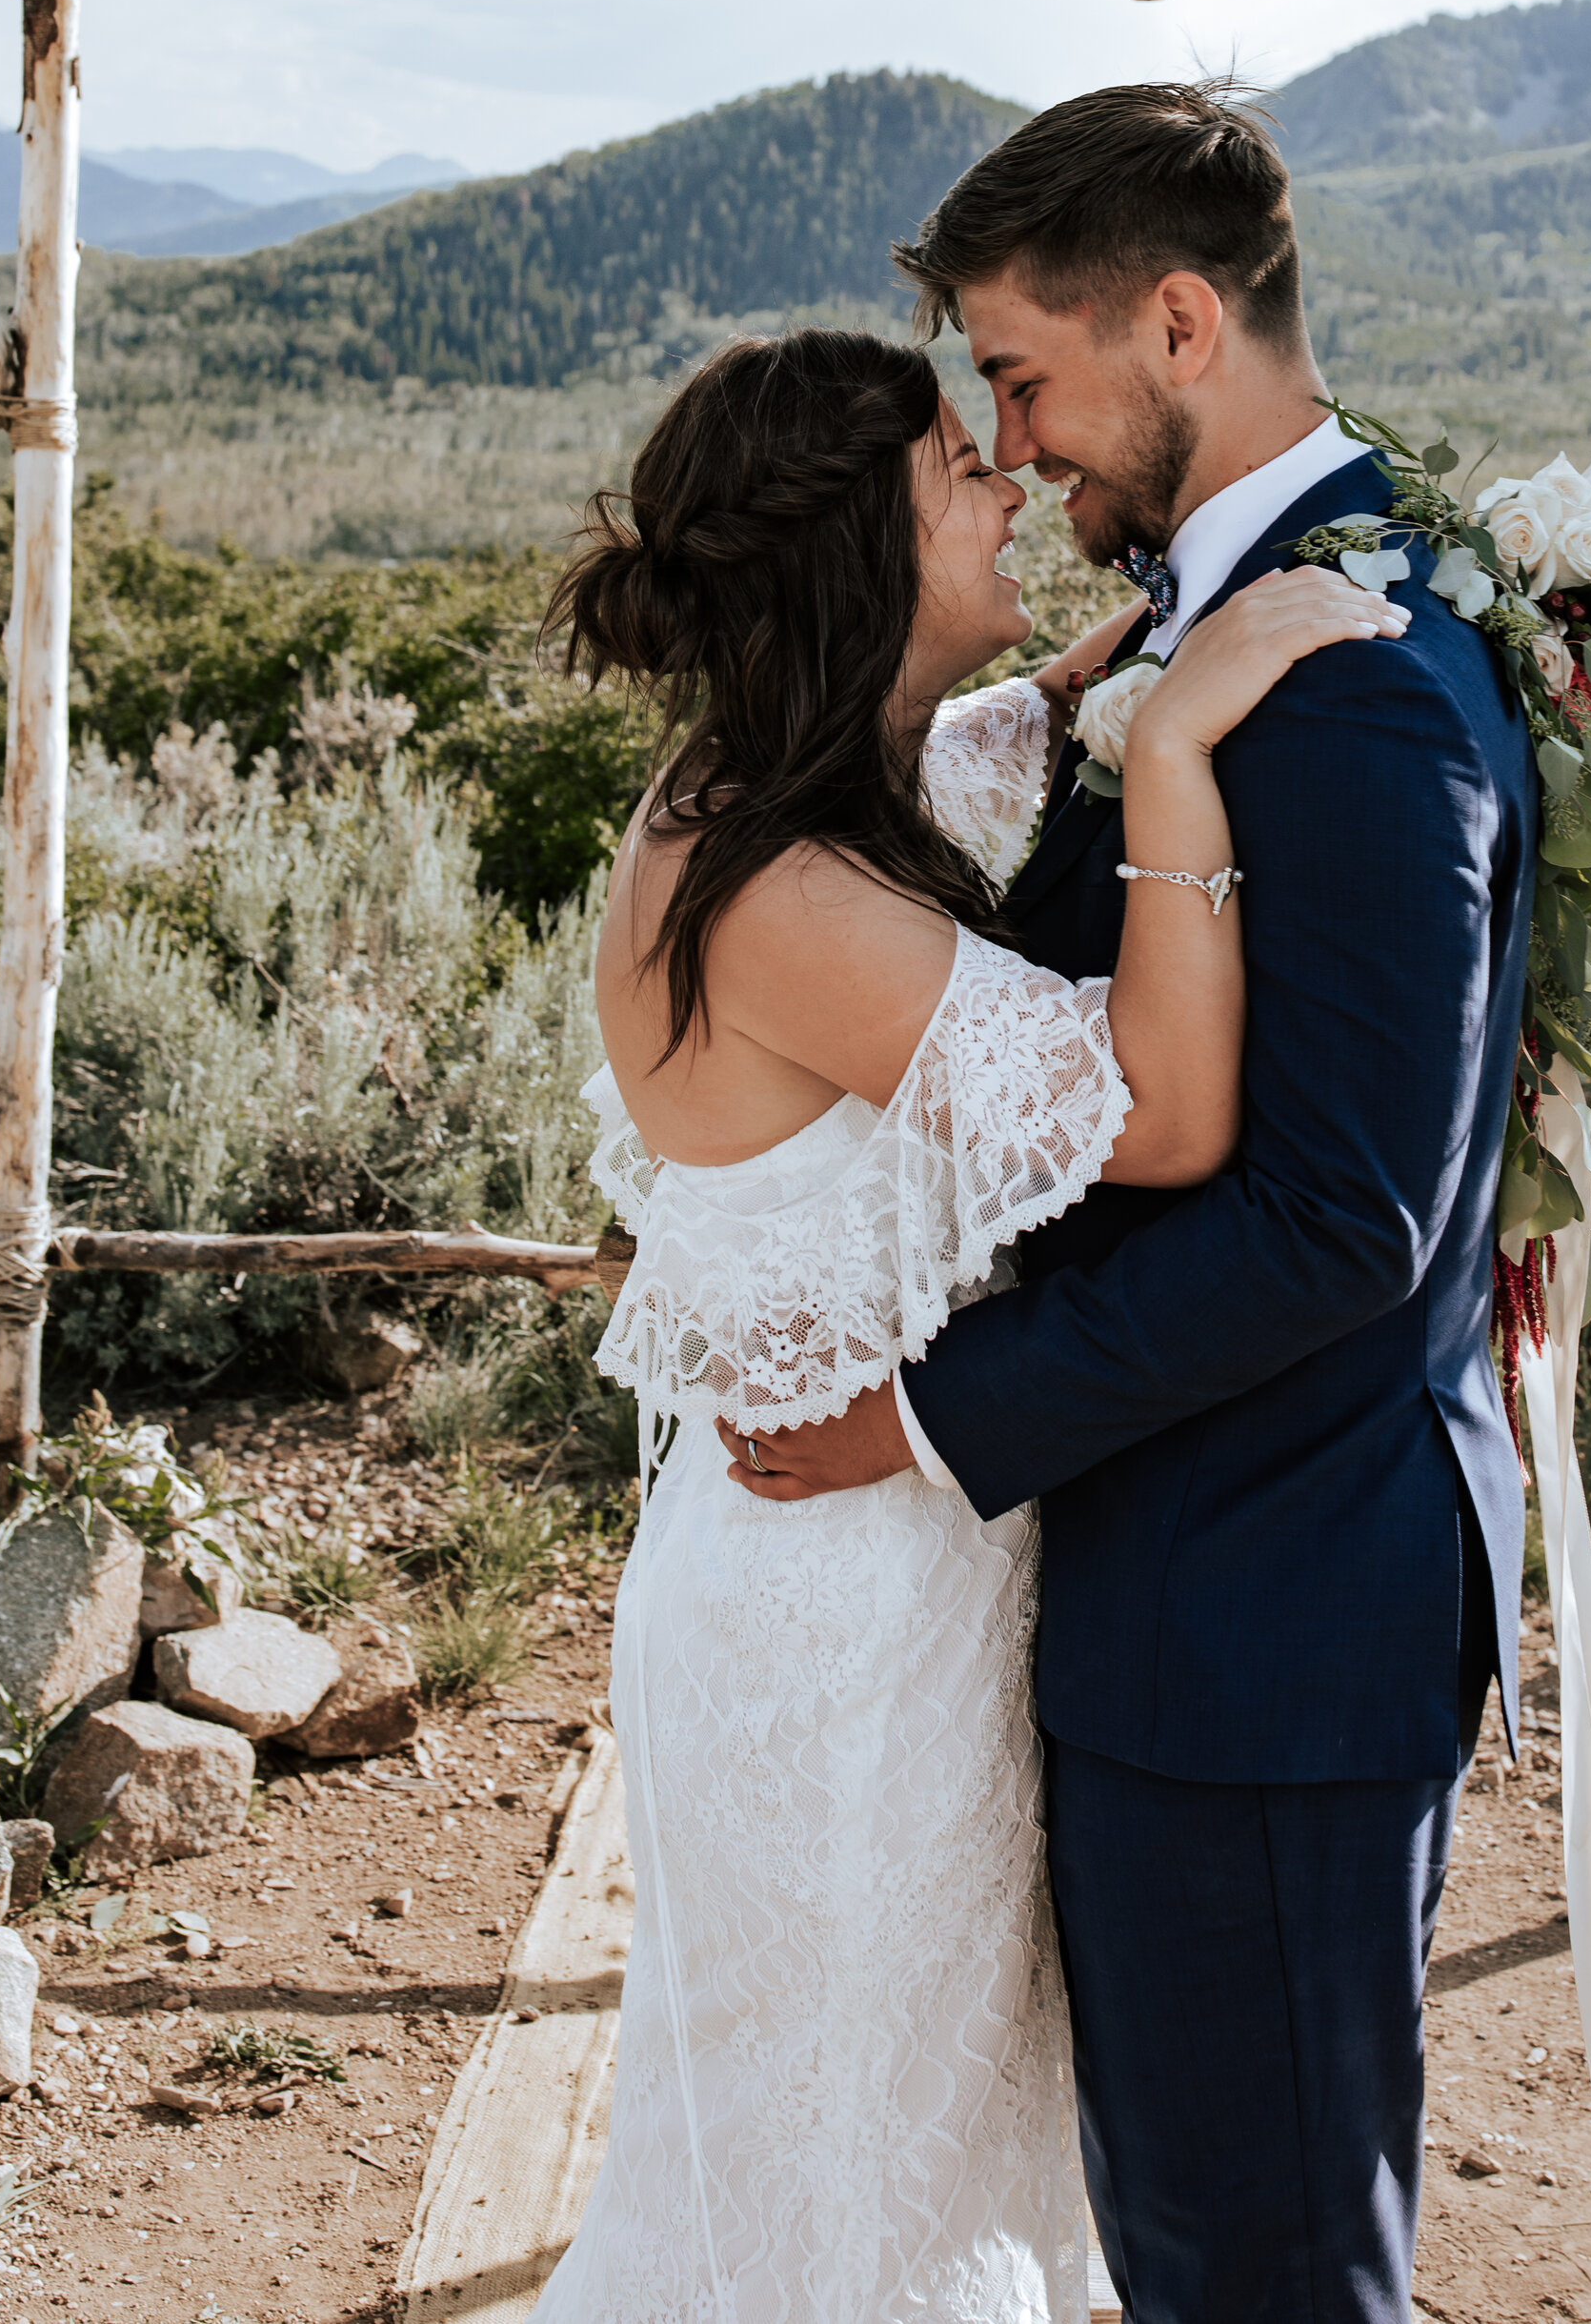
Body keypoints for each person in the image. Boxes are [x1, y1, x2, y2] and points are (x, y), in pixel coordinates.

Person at [733, 84, 1541, 2324]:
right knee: (1193, 2242)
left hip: (1262, 1623)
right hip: (1202, 1601)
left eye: (1020, 377)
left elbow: (1338, 1218)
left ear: (1178, 321)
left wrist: (928, 1415)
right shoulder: (1227, 631)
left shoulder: (1347, 688)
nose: (1010, 446)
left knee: (1259, 2275)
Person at [527, 323, 1400, 2324]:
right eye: (957, 460)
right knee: (833, 2194)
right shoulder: (776, 891)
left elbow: (990, 746)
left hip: (877, 1568)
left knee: (885, 2149)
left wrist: (1103, 681)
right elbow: (1168, 1117)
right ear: (861, 541)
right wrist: (1176, 747)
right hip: (829, 1632)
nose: (1007, 477)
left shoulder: (809, 784)